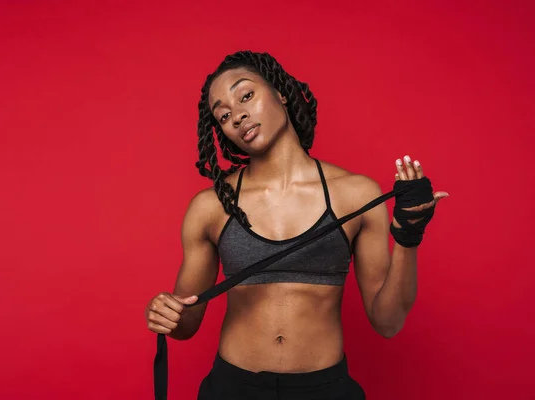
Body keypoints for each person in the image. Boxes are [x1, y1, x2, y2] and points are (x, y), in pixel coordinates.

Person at [144, 50, 448, 400]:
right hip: (232, 388)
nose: (238, 115)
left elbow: (388, 322)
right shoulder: (210, 207)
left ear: (280, 93)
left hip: (324, 389)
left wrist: (408, 236)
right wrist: (165, 313)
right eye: (224, 115)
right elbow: (186, 324)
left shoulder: (356, 194)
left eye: (246, 96)